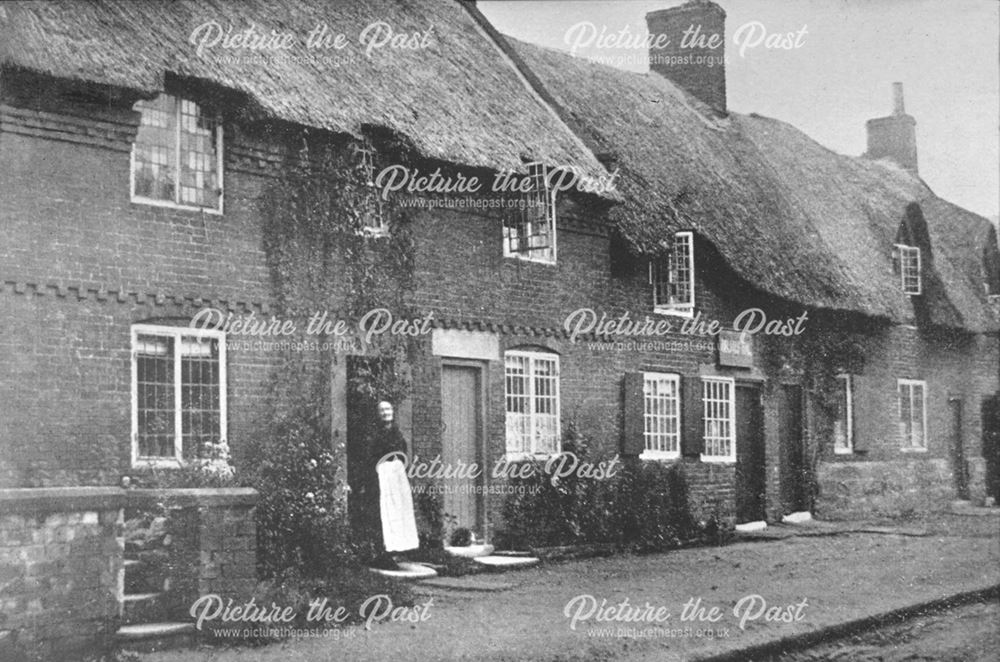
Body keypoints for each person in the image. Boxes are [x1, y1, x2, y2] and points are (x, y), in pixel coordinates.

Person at [366, 400, 419, 569]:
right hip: (381, 476)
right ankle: (384, 553)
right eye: (382, 410)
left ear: (393, 412)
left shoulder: (397, 433)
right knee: (384, 512)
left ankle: (397, 551)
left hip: (396, 476)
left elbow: (403, 452)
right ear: (377, 413)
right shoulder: (375, 434)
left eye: (388, 409)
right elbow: (371, 456)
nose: (385, 412)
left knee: (398, 510)